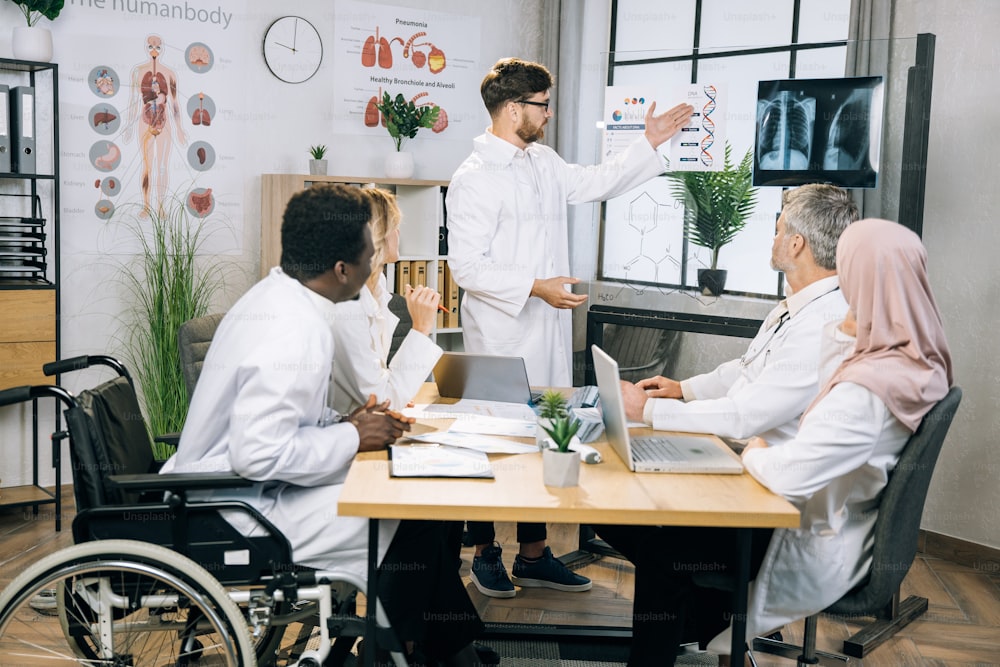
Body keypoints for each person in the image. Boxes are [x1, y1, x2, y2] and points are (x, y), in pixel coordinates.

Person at [596, 217, 953, 666]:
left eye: (848, 271)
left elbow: (790, 472)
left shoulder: (869, 388)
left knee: (661, 546)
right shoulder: (913, 357)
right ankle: (719, 631)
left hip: (804, 530)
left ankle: (687, 641)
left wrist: (760, 450)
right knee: (652, 528)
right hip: (816, 509)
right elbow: (754, 374)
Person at [162, 184, 488, 666]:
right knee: (406, 518)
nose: (375, 260)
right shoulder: (299, 329)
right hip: (235, 510)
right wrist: (352, 434)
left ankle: (442, 650)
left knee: (415, 507)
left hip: (229, 490)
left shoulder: (279, 296)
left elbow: (279, 426)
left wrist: (343, 423)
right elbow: (257, 453)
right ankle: (401, 653)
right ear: (343, 269)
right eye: (368, 251)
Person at [445, 57, 694, 599]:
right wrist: (537, 286)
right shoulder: (473, 179)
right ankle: (486, 551)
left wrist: (648, 142)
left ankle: (533, 556)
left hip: (547, 329)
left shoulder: (542, 160)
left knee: (546, 437)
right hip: (504, 333)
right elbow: (466, 268)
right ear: (513, 109)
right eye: (541, 105)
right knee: (498, 442)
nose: (549, 113)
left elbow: (596, 181)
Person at [620, 183, 859, 451]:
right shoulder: (798, 306)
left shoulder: (822, 325)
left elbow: (744, 416)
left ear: (795, 244)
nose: (773, 239)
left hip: (762, 462)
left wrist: (649, 410)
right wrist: (683, 389)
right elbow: (748, 369)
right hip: (740, 444)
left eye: (778, 231)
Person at [331, 186, 443, 415]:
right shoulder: (346, 305)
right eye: (394, 227)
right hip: (337, 428)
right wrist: (420, 328)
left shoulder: (376, 288)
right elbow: (382, 401)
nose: (399, 234)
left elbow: (379, 383)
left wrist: (395, 393)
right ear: (377, 235)